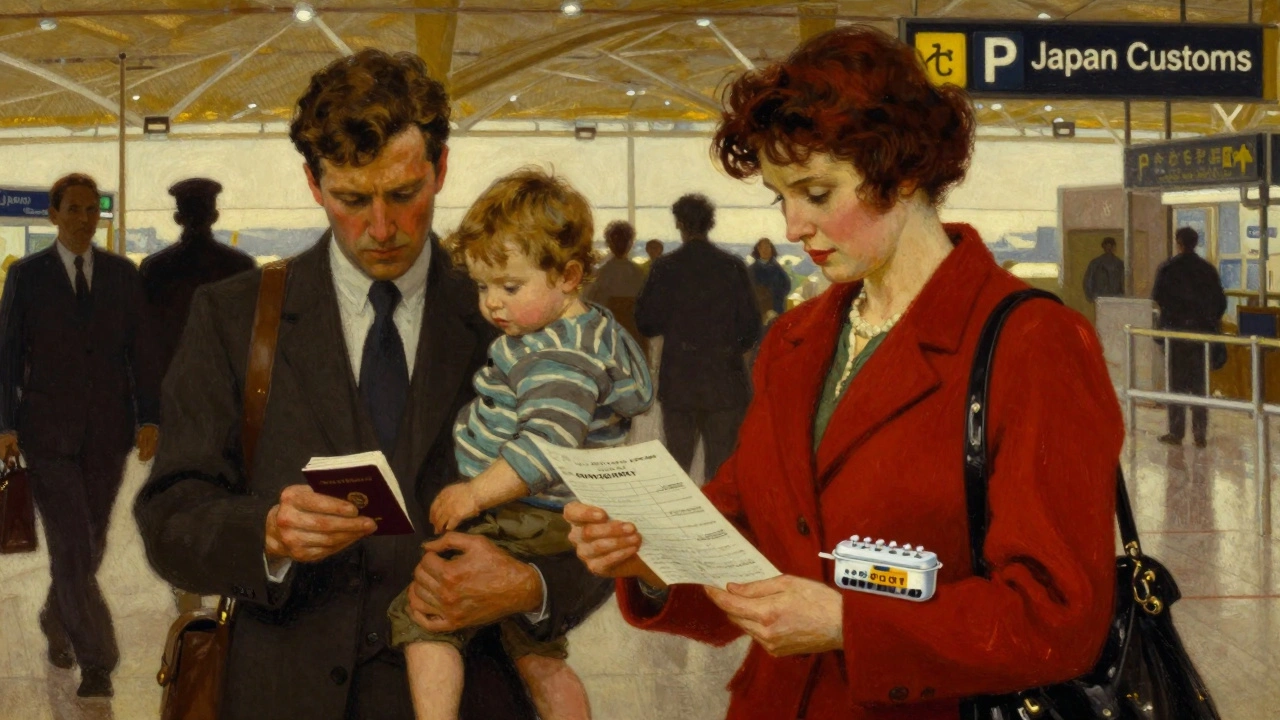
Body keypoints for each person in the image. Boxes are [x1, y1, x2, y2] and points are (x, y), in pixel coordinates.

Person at [565, 26, 1121, 719]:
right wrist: (655, 558)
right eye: (780, 197)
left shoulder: (1034, 342)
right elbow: (747, 526)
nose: (795, 225)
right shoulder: (797, 338)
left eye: (818, 193)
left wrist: (849, 625)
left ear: (907, 171)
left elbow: (1058, 617)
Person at [134, 50, 610, 720]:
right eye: (352, 200)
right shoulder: (235, 317)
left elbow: (598, 516)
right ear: (313, 182)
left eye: (403, 194)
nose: (379, 229)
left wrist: (528, 584)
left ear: (440, 170)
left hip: (475, 696)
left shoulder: (523, 321)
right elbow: (169, 519)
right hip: (283, 696)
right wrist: (266, 532)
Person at [387, 168, 653, 720]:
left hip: (523, 514)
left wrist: (473, 495)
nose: (493, 305)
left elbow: (543, 448)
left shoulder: (554, 360)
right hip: (553, 517)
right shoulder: (591, 332)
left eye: (510, 287)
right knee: (540, 657)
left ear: (570, 276)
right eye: (484, 287)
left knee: (423, 617)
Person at [0, 173, 161, 698]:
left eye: (93, 210)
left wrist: (150, 417)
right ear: (53, 215)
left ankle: (54, 617)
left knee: (90, 547)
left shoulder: (121, 275)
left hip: (107, 434)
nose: (84, 219)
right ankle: (98, 660)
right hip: (45, 434)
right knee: (71, 547)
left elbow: (142, 352)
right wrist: (4, 424)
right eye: (73, 209)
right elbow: (6, 356)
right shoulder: (26, 277)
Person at [635, 194, 759, 482]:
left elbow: (647, 323)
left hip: (680, 382)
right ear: (710, 223)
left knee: (678, 468)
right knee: (721, 471)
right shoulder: (732, 266)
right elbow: (751, 329)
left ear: (679, 223)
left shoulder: (665, 268)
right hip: (725, 383)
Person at [140, 177, 256, 379]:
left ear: (178, 218)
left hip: (171, 378)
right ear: (214, 216)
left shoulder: (155, 268)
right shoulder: (240, 265)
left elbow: (147, 334)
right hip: (223, 380)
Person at [1152, 227, 1227, 448]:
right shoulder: (1207, 270)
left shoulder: (1167, 269)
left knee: (1176, 383)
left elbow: (1157, 298)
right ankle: (1200, 434)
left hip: (1175, 335)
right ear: (1196, 243)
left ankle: (1176, 432)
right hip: (1201, 335)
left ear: (1178, 242)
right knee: (1199, 384)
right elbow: (1220, 303)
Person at [585, 220, 647, 356]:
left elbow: (590, 304)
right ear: (630, 244)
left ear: (609, 244)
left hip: (609, 335)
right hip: (633, 337)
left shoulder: (602, 273)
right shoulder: (638, 273)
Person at [748, 237, 791, 322]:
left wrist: (777, 298)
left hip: (777, 309)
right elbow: (748, 291)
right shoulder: (751, 270)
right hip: (759, 311)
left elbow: (787, 285)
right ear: (758, 250)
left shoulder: (778, 269)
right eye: (762, 248)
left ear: (771, 249)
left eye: (768, 247)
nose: (765, 250)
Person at [1083, 236, 1124, 303]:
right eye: (1107, 246)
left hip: (1116, 299)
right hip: (1100, 298)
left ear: (1114, 247)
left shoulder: (1120, 264)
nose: (1109, 248)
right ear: (1103, 247)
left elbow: (1123, 282)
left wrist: (1122, 296)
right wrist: (1091, 296)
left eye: (1111, 246)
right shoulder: (1095, 263)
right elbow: (1088, 280)